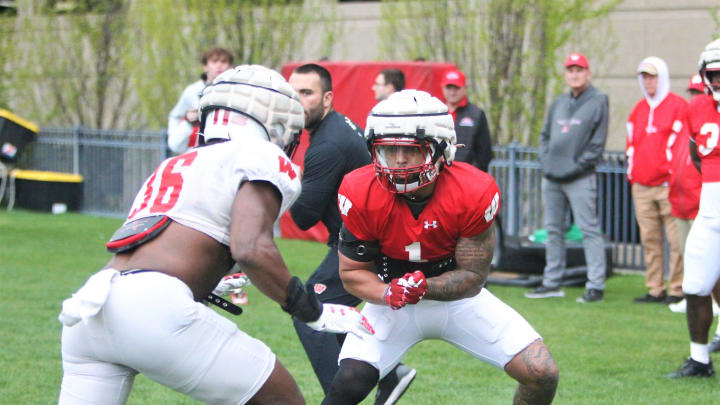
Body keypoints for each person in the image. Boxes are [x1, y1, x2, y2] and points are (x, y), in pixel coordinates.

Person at [57, 64, 374, 405]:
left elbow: (163, 243)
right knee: (284, 400)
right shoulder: (259, 154)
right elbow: (250, 247)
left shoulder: (175, 164)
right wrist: (311, 309)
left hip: (89, 311)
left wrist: (210, 279)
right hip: (152, 307)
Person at [322, 90, 559, 405]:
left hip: (458, 300)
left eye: (413, 150)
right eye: (389, 150)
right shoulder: (360, 189)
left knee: (542, 371)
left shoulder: (473, 191)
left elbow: (473, 275)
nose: (399, 160)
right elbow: (352, 272)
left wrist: (424, 286)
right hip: (392, 301)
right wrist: (387, 292)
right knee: (348, 383)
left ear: (440, 150)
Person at [287, 63, 416, 404]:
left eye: (307, 93)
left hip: (368, 244)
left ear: (326, 98)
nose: (298, 101)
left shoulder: (327, 145)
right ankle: (388, 374)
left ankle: (343, 396)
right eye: (293, 92)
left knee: (308, 311)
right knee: (327, 311)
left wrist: (289, 178)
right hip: (369, 238)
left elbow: (301, 217)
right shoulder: (336, 126)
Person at [525, 52, 609, 303]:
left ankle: (596, 285)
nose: (575, 74)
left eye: (579, 70)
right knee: (553, 230)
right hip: (552, 176)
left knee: (588, 229)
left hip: (580, 177)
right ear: (566, 74)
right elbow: (544, 136)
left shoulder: (598, 100)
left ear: (588, 73)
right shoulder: (559, 101)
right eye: (571, 70)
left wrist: (576, 167)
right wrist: (546, 161)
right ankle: (552, 282)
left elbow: (596, 145)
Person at [667, 39, 720, 378]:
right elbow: (697, 153)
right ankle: (700, 360)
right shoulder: (697, 108)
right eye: (714, 75)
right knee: (695, 286)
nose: (719, 82)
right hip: (711, 209)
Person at [626, 56, 687, 304]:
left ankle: (677, 288)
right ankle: (654, 287)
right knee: (649, 239)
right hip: (641, 185)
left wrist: (673, 177)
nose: (648, 81)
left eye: (652, 76)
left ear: (662, 77)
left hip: (668, 187)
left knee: (675, 241)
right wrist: (632, 175)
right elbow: (630, 144)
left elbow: (681, 146)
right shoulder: (638, 109)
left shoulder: (678, 106)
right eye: (644, 77)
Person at [167, 47, 233, 155]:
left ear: (230, 67)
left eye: (224, 61)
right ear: (205, 66)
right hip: (197, 153)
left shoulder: (235, 91)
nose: (219, 65)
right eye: (214, 61)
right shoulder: (192, 91)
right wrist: (187, 123)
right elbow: (175, 116)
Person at [440, 68, 492, 172]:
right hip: (440, 173)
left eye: (456, 88)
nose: (452, 92)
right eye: (449, 87)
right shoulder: (436, 112)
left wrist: (474, 171)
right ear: (442, 88)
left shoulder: (476, 114)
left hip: (466, 173)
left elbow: (484, 151)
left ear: (464, 88)